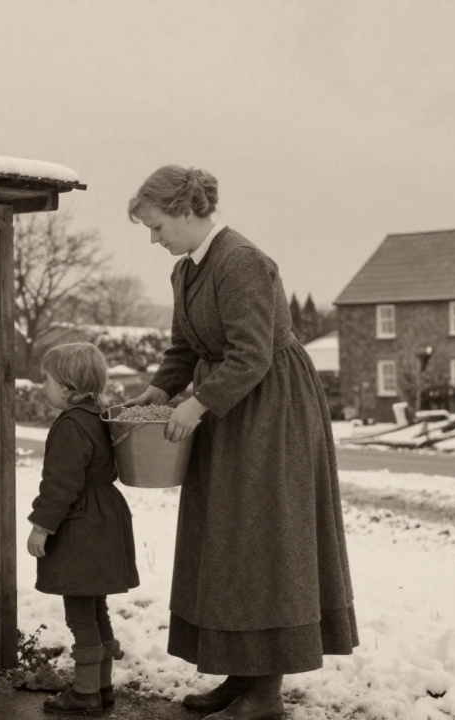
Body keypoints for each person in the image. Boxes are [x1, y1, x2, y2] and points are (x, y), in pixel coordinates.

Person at [125, 165, 358, 720]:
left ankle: (266, 694)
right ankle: (241, 676)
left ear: (186, 212)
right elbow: (184, 349)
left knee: (263, 541)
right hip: (229, 411)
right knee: (227, 543)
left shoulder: (243, 261)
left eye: (157, 227)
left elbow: (252, 353)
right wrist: (155, 393)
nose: (154, 241)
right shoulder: (186, 272)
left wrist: (198, 403)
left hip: (271, 412)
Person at [26, 342, 140, 715]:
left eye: (47, 380)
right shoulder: (99, 415)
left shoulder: (70, 425)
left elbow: (60, 483)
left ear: (67, 385)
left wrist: (42, 526)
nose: (43, 386)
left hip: (82, 524)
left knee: (79, 611)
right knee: (97, 608)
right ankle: (102, 688)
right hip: (106, 516)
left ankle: (85, 693)